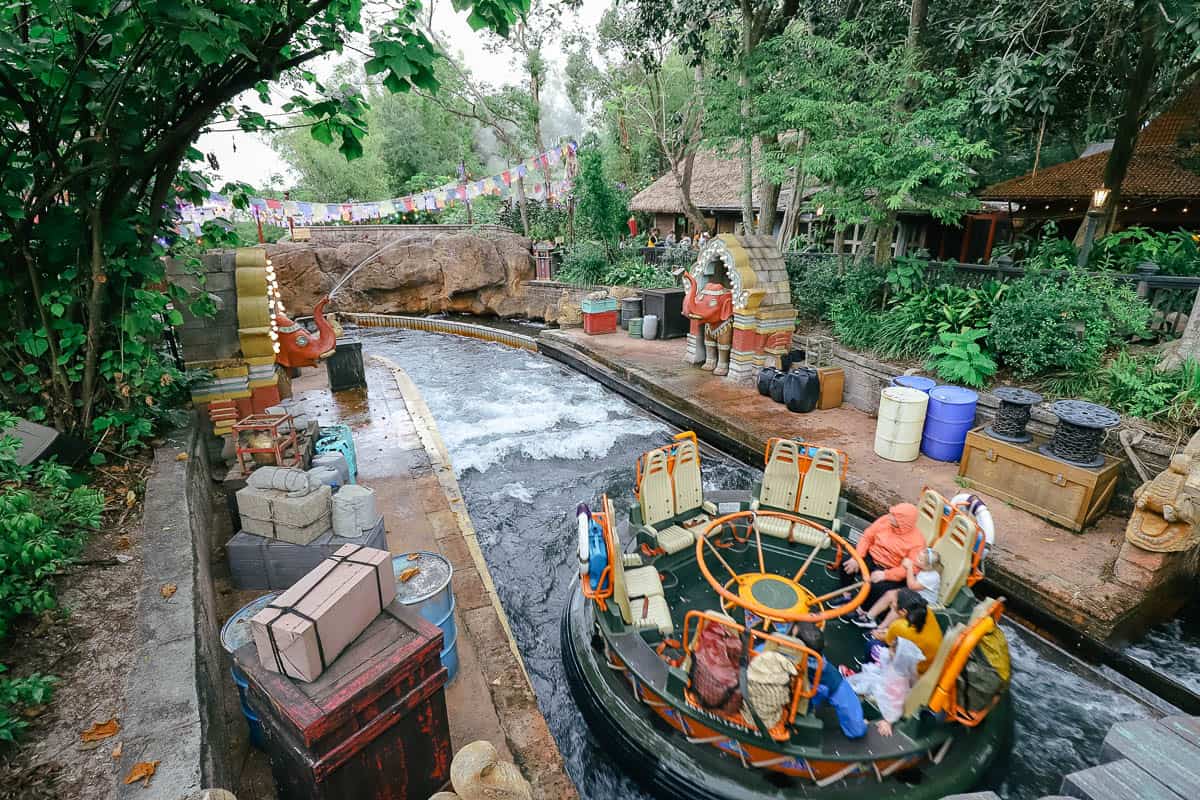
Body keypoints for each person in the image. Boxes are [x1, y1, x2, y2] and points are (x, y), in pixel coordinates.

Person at [836, 503, 926, 609]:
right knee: (846, 563)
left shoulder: (918, 542)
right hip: (871, 557)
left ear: (903, 521)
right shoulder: (885, 520)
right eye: (891, 513)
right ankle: (846, 594)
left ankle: (863, 611)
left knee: (876, 587)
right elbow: (867, 537)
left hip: (890, 569)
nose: (890, 516)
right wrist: (857, 557)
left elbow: (912, 569)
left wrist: (886, 575)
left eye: (894, 516)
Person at [793, 622, 867, 739]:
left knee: (856, 729)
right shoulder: (791, 654)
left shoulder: (829, 678)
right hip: (810, 685)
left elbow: (857, 730)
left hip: (823, 687)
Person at [851, 547, 942, 629]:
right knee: (890, 594)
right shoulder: (923, 569)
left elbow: (912, 586)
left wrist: (909, 567)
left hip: (924, 602)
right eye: (918, 557)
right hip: (915, 595)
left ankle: (880, 629)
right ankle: (870, 618)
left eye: (920, 560)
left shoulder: (932, 577)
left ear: (929, 566)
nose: (916, 559)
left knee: (898, 605)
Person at [874, 588, 943, 675]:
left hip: (918, 670)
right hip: (934, 661)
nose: (892, 603)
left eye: (894, 602)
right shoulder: (926, 611)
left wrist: (877, 634)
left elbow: (888, 641)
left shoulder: (898, 626)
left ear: (903, 611)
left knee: (872, 645)